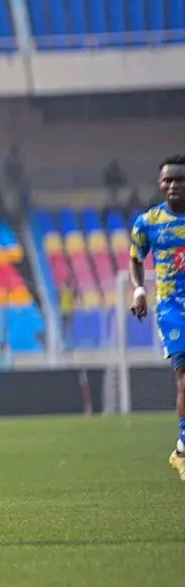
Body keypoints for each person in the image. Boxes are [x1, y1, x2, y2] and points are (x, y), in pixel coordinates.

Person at [129, 155, 185, 483]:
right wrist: (139, 291)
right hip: (172, 308)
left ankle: (180, 450)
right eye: (168, 180)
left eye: (179, 179)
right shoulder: (148, 221)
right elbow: (136, 257)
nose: (173, 185)